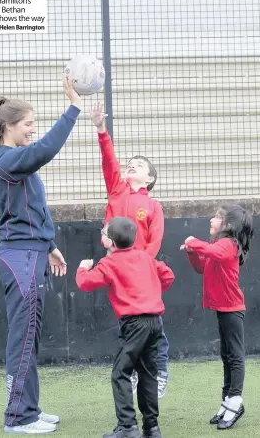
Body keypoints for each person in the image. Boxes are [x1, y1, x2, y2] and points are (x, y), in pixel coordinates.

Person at [0, 76, 82, 434]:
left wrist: (49, 245)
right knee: (23, 338)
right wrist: (73, 108)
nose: (33, 130)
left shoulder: (14, 162)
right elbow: (45, 150)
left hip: (30, 253)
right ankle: (18, 418)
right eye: (28, 124)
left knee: (30, 335)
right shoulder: (7, 161)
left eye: (34, 124)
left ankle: (29, 409)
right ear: (8, 127)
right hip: (19, 258)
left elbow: (34, 206)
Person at [90, 103, 170, 398]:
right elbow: (108, 159)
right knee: (127, 324)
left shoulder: (153, 205)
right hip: (117, 268)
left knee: (154, 326)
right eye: (131, 162)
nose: (132, 164)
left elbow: (155, 242)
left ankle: (159, 372)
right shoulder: (117, 189)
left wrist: (142, 266)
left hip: (142, 272)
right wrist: (101, 129)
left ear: (149, 179)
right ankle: (136, 373)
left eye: (140, 164)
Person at [76, 217, 175, 438]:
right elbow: (168, 275)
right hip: (154, 322)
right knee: (148, 374)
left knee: (120, 373)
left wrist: (82, 268)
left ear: (110, 242)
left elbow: (85, 283)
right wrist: (151, 294)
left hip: (134, 325)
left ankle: (127, 427)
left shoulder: (109, 263)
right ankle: (151, 428)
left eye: (105, 232)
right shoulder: (145, 257)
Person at [180, 204, 253, 430]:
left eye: (216, 217)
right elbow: (202, 266)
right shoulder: (217, 245)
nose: (211, 220)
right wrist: (193, 253)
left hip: (232, 309)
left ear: (228, 225)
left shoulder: (228, 245)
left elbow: (213, 252)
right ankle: (226, 400)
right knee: (227, 355)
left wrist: (192, 242)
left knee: (235, 356)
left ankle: (236, 400)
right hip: (223, 309)